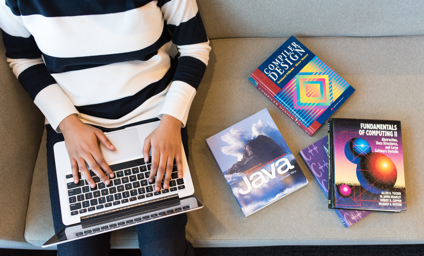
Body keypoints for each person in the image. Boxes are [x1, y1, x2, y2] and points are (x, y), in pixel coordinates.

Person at [0, 0, 211, 255]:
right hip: (75, 122)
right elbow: (23, 59)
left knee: (165, 249)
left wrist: (171, 122)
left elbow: (195, 48)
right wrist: (68, 125)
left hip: (155, 115)